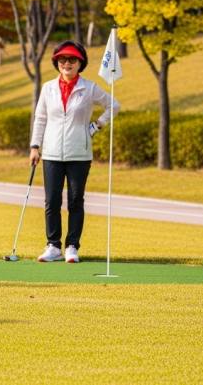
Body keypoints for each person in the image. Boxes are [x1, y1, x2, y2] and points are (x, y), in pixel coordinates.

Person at [29, 40, 119, 263]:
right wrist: (34, 146)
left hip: (79, 152)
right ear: (57, 62)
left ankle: (72, 246)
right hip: (51, 153)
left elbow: (113, 105)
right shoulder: (48, 88)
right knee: (51, 200)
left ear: (80, 63)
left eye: (71, 59)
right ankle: (53, 246)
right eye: (62, 59)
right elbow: (41, 118)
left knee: (76, 200)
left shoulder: (89, 88)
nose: (66, 63)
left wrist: (96, 126)